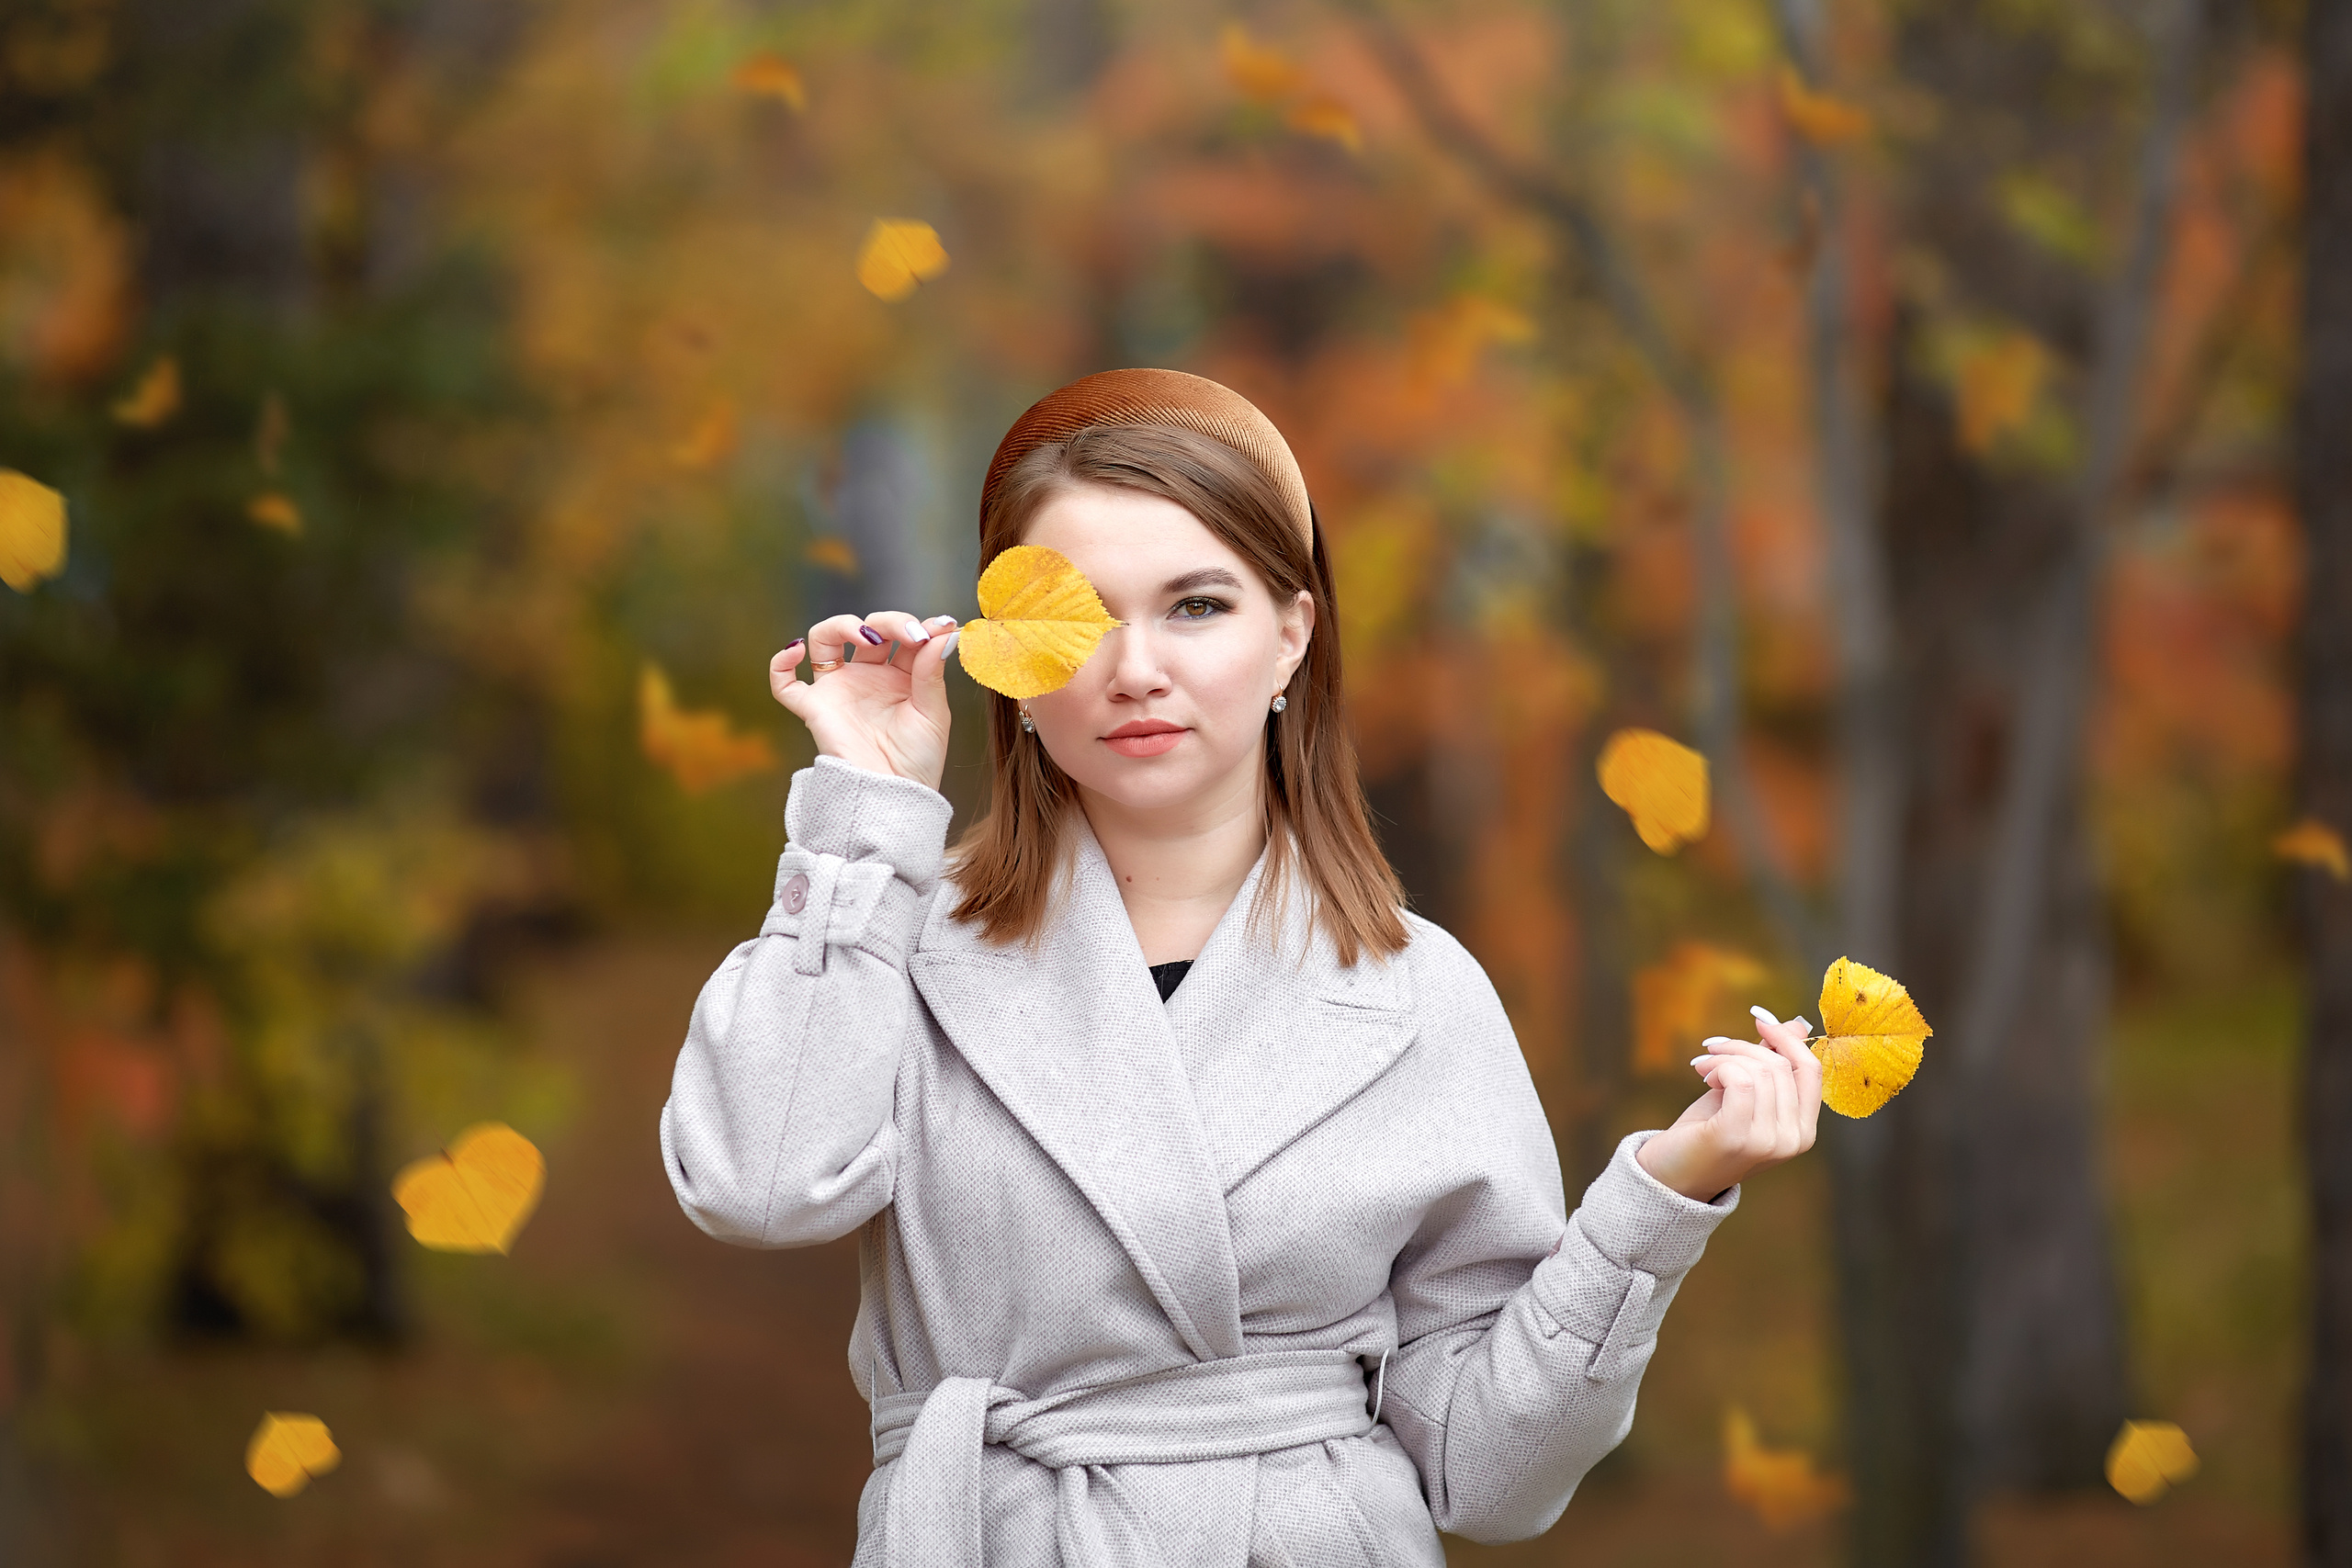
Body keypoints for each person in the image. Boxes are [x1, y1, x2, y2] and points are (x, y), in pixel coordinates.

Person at [660, 368, 1823, 1567]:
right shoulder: (897, 940)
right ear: (1009, 656)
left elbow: (1491, 1476)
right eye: (1082, 615)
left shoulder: (1417, 994)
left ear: (1291, 636)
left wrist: (1664, 1199)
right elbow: (757, 1186)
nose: (1135, 666)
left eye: (1198, 605)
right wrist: (867, 812)